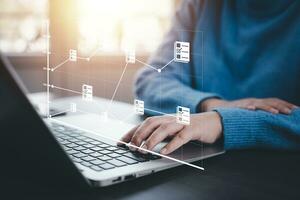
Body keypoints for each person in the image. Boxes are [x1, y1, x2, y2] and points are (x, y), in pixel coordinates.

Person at [120, 0, 300, 154]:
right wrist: (211, 104)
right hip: (199, 162)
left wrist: (222, 121)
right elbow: (151, 80)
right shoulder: (199, 5)